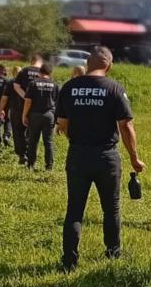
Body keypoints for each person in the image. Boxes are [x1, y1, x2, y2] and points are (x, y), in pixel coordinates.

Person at [55, 46, 145, 272]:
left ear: (88, 64)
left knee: (74, 209)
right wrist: (134, 158)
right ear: (109, 65)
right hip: (107, 157)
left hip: (78, 154)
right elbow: (126, 126)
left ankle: (69, 260)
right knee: (111, 208)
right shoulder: (114, 88)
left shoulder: (69, 87)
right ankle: (113, 253)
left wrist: (77, 141)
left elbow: (62, 124)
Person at [23, 63, 59, 170]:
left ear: (40, 72)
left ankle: (31, 165)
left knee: (33, 141)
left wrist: (24, 115)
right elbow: (58, 102)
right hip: (49, 115)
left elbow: (28, 101)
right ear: (50, 72)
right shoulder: (55, 85)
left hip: (35, 115)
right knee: (48, 142)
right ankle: (49, 166)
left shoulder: (33, 83)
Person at [11, 55, 45, 163]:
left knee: (19, 130)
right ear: (40, 62)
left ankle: (22, 155)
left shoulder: (24, 70)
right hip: (37, 108)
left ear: (32, 61)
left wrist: (26, 96)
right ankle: (31, 156)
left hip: (21, 106)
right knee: (33, 133)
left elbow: (16, 86)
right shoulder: (43, 72)